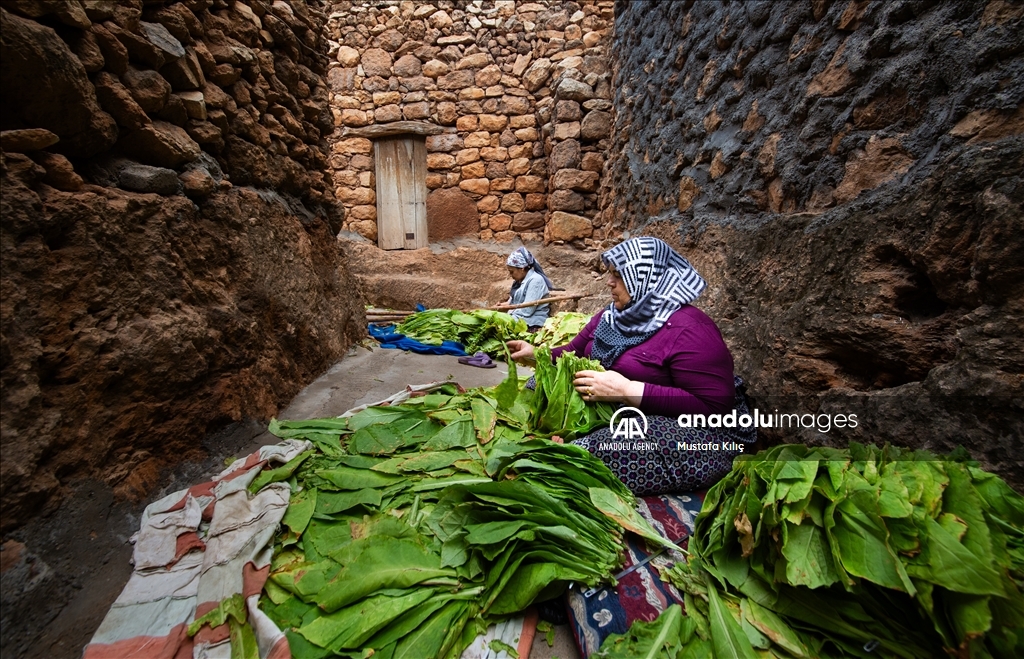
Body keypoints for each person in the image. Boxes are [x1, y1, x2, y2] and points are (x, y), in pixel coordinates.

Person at [507, 237, 755, 495]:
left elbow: (714, 406)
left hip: (698, 429)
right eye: (610, 273)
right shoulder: (611, 316)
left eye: (619, 275)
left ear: (647, 278)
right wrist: (536, 354)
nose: (609, 282)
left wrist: (628, 390)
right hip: (626, 407)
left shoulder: (690, 328)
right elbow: (573, 353)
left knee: (608, 449)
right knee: (539, 384)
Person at [495, 247, 553, 331]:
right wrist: (501, 306)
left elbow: (527, 310)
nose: (510, 275)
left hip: (532, 321)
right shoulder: (519, 281)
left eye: (512, 272)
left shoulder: (535, 280)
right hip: (519, 317)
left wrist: (507, 314)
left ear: (522, 269)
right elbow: (513, 302)